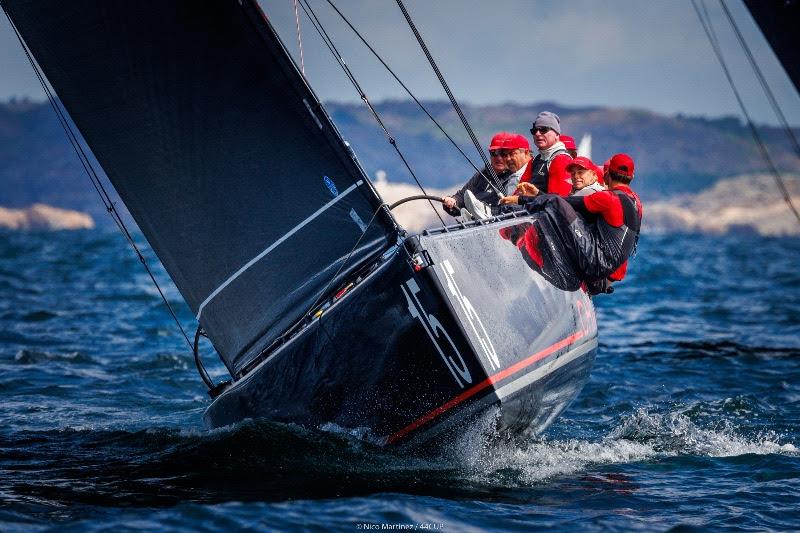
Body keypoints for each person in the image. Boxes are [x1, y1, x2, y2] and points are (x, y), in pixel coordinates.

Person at [500, 153, 642, 294]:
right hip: (605, 270)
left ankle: (516, 227)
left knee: (555, 205)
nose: (575, 176)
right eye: (573, 173)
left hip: (596, 265)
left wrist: (520, 200)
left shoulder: (609, 198)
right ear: (632, 176)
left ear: (606, 175)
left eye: (581, 172)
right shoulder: (636, 202)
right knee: (560, 210)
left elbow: (561, 203)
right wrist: (538, 195)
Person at [441, 132, 512, 217]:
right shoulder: (483, 174)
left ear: (511, 155)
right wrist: (452, 201)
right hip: (478, 225)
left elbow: (514, 207)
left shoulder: (515, 177)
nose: (498, 158)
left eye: (503, 153)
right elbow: (462, 196)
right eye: (494, 153)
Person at [528, 111, 573, 197]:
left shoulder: (562, 159)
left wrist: (521, 199)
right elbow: (520, 190)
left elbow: (557, 201)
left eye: (543, 130)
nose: (537, 133)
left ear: (556, 134)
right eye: (534, 130)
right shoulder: (536, 159)